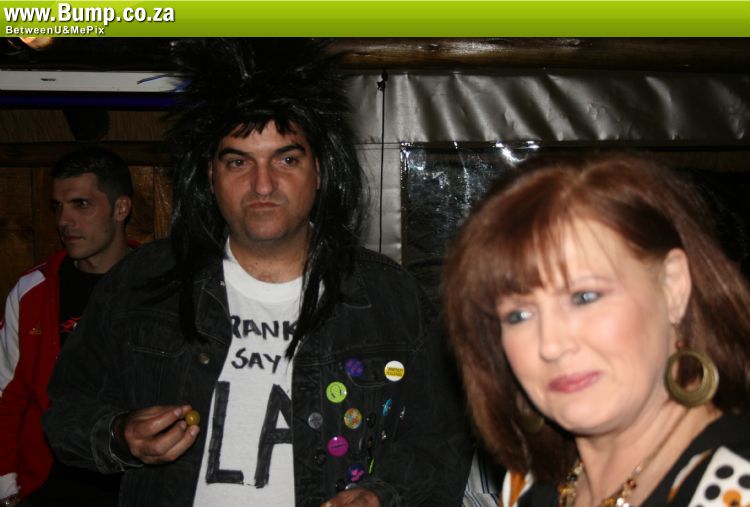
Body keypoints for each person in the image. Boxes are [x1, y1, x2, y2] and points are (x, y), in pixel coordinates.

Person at [43, 39, 472, 507]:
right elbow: (66, 412)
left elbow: (442, 441)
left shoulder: (389, 296)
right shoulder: (143, 281)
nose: (262, 184)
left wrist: (382, 495)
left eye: (286, 159)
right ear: (210, 175)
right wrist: (119, 435)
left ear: (320, 171)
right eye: (238, 161)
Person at [443, 153, 750, 507]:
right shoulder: (526, 483)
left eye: (584, 297)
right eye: (519, 315)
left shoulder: (735, 487)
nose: (551, 344)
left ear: (673, 286)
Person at [0, 146, 135, 507]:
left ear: (121, 208)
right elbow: (7, 392)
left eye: (81, 204)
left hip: (135, 485)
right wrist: (6, 485)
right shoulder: (33, 290)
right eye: (57, 207)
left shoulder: (159, 286)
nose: (64, 220)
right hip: (49, 484)